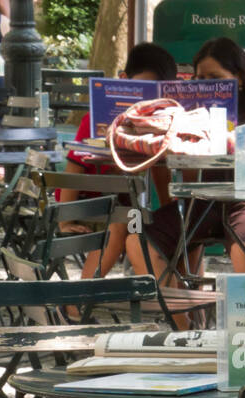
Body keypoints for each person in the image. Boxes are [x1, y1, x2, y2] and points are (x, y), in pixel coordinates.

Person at [143, 37, 245, 277]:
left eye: (215, 79)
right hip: (206, 203)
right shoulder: (191, 118)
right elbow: (186, 180)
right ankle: (184, 313)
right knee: (139, 239)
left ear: (240, 79)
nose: (206, 87)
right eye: (200, 80)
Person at [63, 42, 179, 284]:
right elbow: (75, 165)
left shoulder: (157, 126)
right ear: (124, 80)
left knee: (158, 227)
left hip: (125, 204)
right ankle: (76, 302)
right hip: (84, 202)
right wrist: (66, 219)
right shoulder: (94, 119)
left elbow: (159, 170)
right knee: (119, 224)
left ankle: (165, 297)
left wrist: (169, 209)